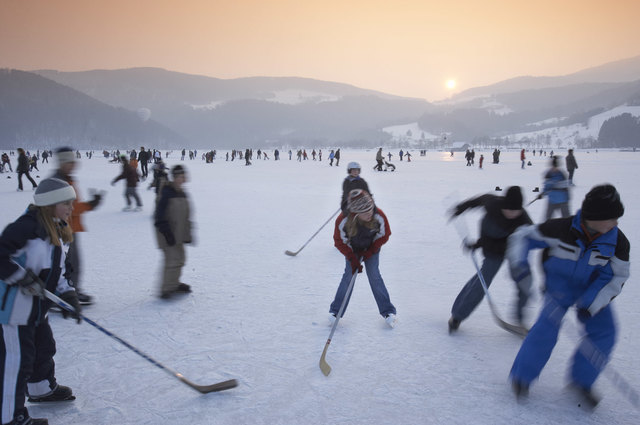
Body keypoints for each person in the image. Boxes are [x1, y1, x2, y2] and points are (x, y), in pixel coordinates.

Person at [507, 184, 629, 407]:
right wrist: (519, 266)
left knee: (605, 332)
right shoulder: (560, 229)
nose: (616, 223)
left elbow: (615, 277)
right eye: (612, 218)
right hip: (558, 287)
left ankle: (582, 380)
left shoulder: (617, 242)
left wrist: (591, 303)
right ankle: (522, 377)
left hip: (592, 291)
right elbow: (522, 237)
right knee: (546, 328)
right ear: (595, 217)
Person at [0, 178, 82, 425]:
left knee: (43, 348)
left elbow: (59, 271)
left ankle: (40, 389)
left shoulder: (57, 230)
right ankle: (9, 418)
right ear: (49, 204)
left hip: (37, 309)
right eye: (66, 203)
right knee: (16, 363)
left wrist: (68, 295)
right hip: (14, 312)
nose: (71, 208)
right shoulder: (26, 228)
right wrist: (23, 278)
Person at [448, 186, 533, 333]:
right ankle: (457, 315)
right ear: (503, 205)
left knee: (525, 281)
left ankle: (519, 320)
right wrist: (461, 207)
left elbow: (535, 237)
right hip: (492, 248)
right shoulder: (493, 203)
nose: (512, 214)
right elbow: (476, 201)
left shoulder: (524, 221)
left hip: (513, 250)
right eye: (509, 210)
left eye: (516, 211)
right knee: (483, 280)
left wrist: (478, 244)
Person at [330, 189, 396, 328]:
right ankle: (336, 311)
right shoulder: (343, 220)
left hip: (372, 247)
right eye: (365, 212)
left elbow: (385, 234)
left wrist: (371, 251)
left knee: (374, 275)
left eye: (370, 209)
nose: (369, 214)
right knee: (348, 276)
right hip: (352, 249)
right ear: (356, 213)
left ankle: (388, 311)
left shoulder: (378, 215)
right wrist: (352, 258)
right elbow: (338, 241)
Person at [50, 147, 102, 305]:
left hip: (70, 228)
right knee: (70, 263)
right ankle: (66, 294)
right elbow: (69, 207)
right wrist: (90, 205)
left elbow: (72, 205)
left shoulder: (67, 179)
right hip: (63, 229)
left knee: (72, 263)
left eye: (73, 162)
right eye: (69, 162)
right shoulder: (59, 182)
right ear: (62, 163)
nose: (73, 165)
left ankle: (70, 291)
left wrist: (90, 204)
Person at [154, 165, 193, 299]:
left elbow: (186, 216)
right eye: (181, 176)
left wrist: (187, 234)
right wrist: (167, 233)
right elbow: (159, 216)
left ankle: (174, 283)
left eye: (184, 176)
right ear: (175, 178)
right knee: (172, 260)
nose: (184, 179)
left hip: (178, 233)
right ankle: (166, 289)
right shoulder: (167, 192)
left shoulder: (181, 192)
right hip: (168, 234)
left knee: (180, 259)